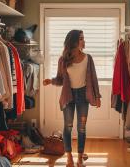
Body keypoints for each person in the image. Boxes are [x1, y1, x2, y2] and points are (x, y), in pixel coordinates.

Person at [43, 30, 101, 167]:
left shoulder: (88, 58)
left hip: (83, 96)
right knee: (68, 127)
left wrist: (97, 96)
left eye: (83, 38)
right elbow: (60, 80)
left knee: (82, 128)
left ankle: (80, 158)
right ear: (74, 41)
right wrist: (50, 81)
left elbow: (93, 79)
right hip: (68, 96)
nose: (83, 41)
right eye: (81, 38)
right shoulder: (63, 60)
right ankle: (69, 158)